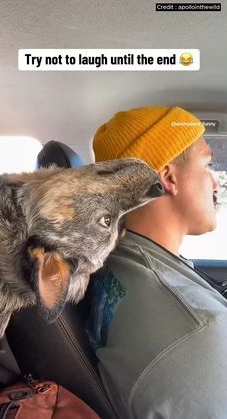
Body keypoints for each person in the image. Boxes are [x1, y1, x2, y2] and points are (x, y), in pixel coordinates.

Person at [86, 106, 227, 419]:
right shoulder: (199, 331)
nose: (215, 184)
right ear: (168, 177)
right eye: (208, 165)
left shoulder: (119, 259)